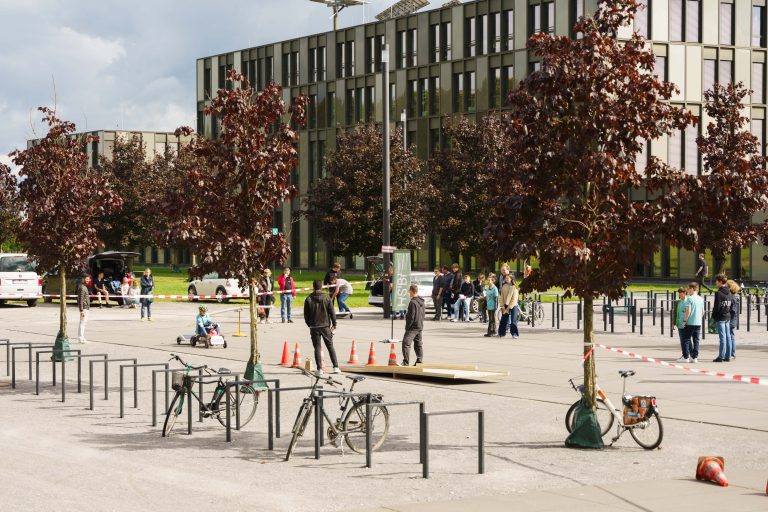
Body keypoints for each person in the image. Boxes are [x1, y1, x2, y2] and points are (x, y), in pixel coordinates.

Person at [304, 280, 340, 374]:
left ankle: (319, 369)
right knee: (330, 346)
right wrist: (334, 324)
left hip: (314, 326)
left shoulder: (308, 298)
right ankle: (335, 367)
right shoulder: (326, 298)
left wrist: (309, 324)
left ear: (313, 287)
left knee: (317, 347)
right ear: (322, 287)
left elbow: (306, 315)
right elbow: (332, 312)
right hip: (325, 326)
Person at [402, 284, 425, 366]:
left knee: (406, 343)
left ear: (412, 291)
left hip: (413, 327)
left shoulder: (412, 302)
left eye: (409, 291)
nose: (409, 293)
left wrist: (407, 327)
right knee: (418, 344)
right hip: (419, 326)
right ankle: (419, 360)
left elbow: (411, 317)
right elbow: (423, 314)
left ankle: (406, 362)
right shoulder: (421, 301)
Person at [712, 274, 733, 362]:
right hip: (727, 316)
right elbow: (730, 305)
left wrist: (714, 316)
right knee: (728, 336)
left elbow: (716, 307)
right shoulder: (729, 292)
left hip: (720, 317)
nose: (715, 282)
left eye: (716, 281)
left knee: (722, 337)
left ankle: (721, 356)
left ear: (720, 282)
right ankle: (728, 356)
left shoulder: (718, 293)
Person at [681, 282, 704, 363]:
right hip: (698, 322)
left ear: (692, 289)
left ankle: (686, 357)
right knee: (696, 340)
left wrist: (684, 321)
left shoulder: (690, 298)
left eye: (688, 288)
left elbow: (688, 311)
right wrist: (698, 318)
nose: (687, 290)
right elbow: (703, 312)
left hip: (690, 322)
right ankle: (694, 357)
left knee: (686, 339)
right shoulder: (700, 299)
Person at [674, 287, 690, 362]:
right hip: (679, 323)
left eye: (680, 293)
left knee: (686, 340)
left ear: (684, 293)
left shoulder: (688, 301)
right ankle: (685, 354)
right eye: (679, 293)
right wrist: (673, 323)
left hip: (687, 323)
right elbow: (675, 313)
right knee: (683, 340)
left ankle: (687, 355)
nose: (679, 295)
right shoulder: (678, 302)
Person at [726, 279, 740, 360]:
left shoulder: (732, 297)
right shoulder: (733, 296)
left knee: (730, 336)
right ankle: (731, 353)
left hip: (731, 319)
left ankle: (732, 353)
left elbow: (733, 311)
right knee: (731, 335)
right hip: (732, 319)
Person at [76, 275, 90, 344]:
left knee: (84, 323)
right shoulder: (82, 287)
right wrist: (81, 310)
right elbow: (80, 299)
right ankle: (80, 338)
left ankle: (82, 337)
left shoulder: (84, 287)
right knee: (82, 322)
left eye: (88, 279)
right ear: (82, 279)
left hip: (86, 307)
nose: (88, 280)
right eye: (86, 279)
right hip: (83, 308)